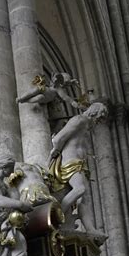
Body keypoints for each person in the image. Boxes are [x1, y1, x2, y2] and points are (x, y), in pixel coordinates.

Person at [48, 102, 108, 241]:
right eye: (101, 115)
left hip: (81, 164)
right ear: (94, 111)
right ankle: (57, 216)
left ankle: (90, 229)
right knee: (79, 189)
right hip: (71, 162)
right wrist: (55, 151)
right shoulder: (79, 120)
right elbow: (58, 138)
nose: (100, 120)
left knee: (84, 200)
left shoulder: (87, 126)